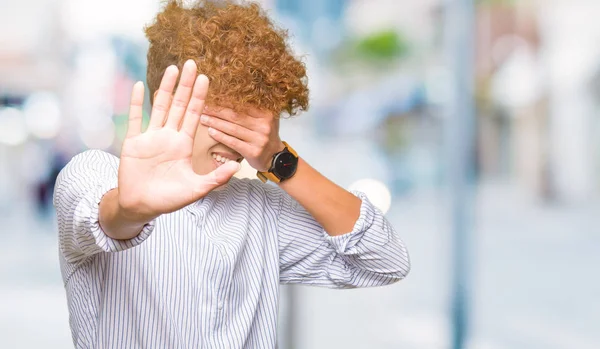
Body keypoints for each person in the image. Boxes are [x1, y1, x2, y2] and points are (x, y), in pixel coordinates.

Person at [54, 1, 410, 348]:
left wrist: (279, 158)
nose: (239, 138)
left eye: (254, 121)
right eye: (226, 115)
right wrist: (131, 210)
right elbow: (102, 221)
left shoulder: (260, 210)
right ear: (172, 98)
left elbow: (385, 260)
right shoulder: (93, 173)